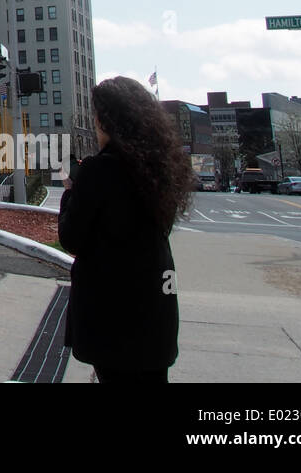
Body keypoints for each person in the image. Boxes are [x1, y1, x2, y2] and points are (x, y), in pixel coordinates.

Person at [59, 76, 196, 383]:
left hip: (113, 324)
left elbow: (71, 237)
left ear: (106, 120)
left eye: (96, 116)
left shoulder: (98, 170)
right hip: (156, 315)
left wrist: (70, 190)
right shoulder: (160, 171)